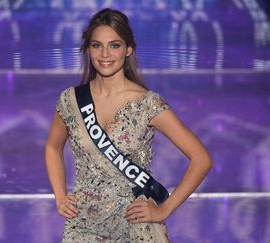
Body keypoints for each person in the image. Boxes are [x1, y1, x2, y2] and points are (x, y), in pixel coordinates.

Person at [45, 8, 212, 242]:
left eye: (114, 45)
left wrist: (165, 209)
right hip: (83, 225)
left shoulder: (147, 103)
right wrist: (60, 196)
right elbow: (52, 147)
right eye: (96, 45)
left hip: (135, 223)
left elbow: (201, 158)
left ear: (128, 49)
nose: (105, 54)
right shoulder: (70, 101)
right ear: (87, 49)